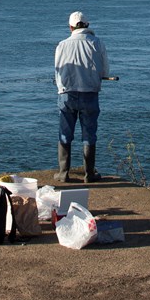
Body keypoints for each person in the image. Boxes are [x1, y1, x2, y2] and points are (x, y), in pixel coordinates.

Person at [54, 10, 110, 183]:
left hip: (67, 94)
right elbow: (104, 70)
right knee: (89, 133)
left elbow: (58, 71)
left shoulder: (62, 44)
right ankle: (89, 173)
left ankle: (63, 173)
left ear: (70, 27)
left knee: (65, 133)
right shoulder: (97, 43)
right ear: (87, 25)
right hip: (90, 94)